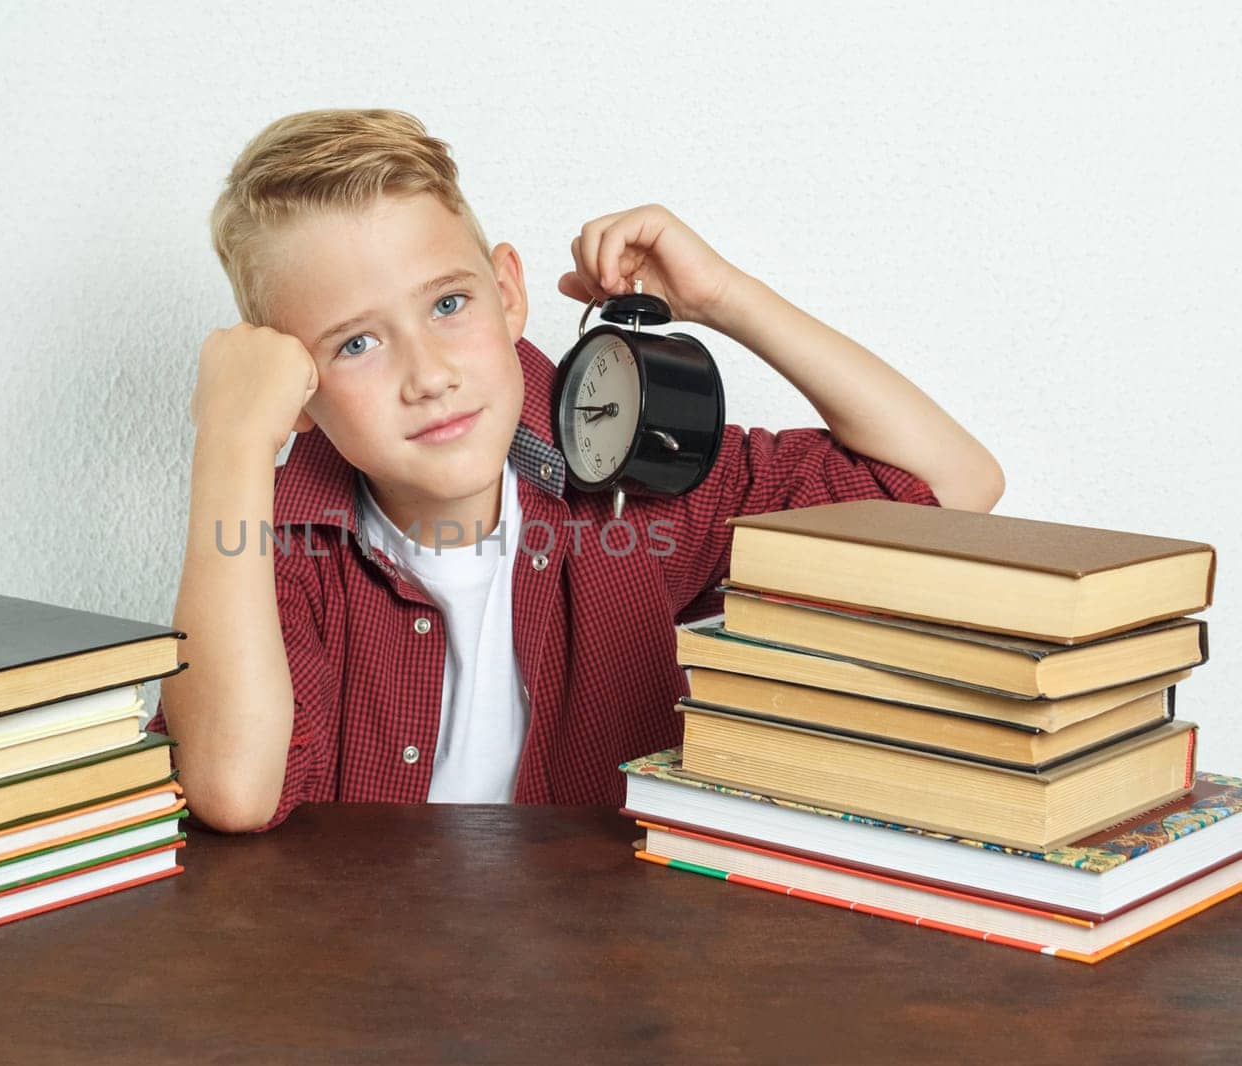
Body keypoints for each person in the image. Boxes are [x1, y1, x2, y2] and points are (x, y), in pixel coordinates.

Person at [151, 108, 1004, 832]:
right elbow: (232, 789)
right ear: (296, 386)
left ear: (507, 292)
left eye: (449, 305)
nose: (429, 375)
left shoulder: (624, 490)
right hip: (364, 987)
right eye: (357, 343)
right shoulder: (281, 546)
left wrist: (724, 299)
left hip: (597, 978)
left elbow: (953, 488)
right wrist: (230, 442)